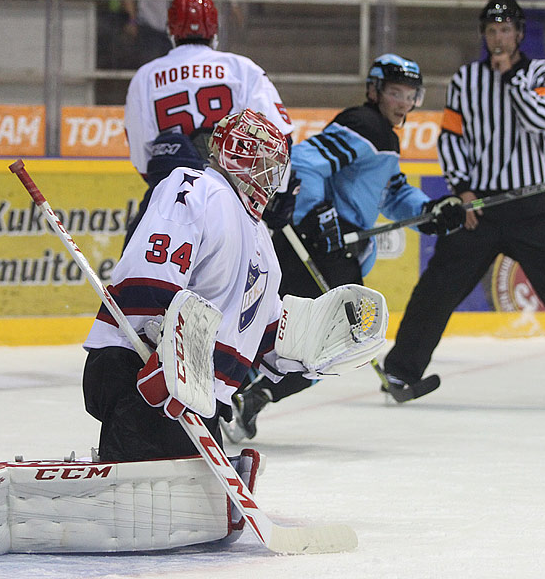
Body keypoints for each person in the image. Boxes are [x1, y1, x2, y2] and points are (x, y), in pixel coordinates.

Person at [82, 108, 388, 463]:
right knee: (148, 502)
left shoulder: (260, 237)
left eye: (276, 168)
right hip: (145, 369)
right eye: (265, 163)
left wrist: (311, 343)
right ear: (236, 153)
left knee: (194, 505)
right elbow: (151, 272)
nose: (271, 177)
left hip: (198, 392)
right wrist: (162, 353)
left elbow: (261, 327)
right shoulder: (194, 186)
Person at [382, 0, 545, 405]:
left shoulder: (540, 73)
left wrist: (510, 79)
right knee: (438, 286)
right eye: (492, 31)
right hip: (481, 207)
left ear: (519, 34)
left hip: (532, 206)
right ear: (484, 35)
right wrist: (462, 190)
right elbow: (452, 138)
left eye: (506, 30)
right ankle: (399, 371)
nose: (498, 38)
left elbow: (541, 120)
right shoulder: (465, 80)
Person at [221, 54, 466, 443]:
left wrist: (428, 210)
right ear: (374, 90)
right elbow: (301, 162)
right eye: (394, 92)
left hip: (327, 247)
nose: (403, 103)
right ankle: (246, 394)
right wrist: (318, 214)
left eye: (410, 95)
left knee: (287, 331)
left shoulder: (382, 136)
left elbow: (391, 190)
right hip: (322, 248)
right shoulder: (365, 124)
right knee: (341, 338)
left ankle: (243, 395)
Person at [122, 0, 296, 243]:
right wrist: (277, 196)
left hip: (171, 206)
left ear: (171, 31)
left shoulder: (146, 77)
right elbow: (280, 137)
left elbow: (142, 158)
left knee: (137, 276)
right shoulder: (242, 69)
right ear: (214, 31)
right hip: (232, 206)